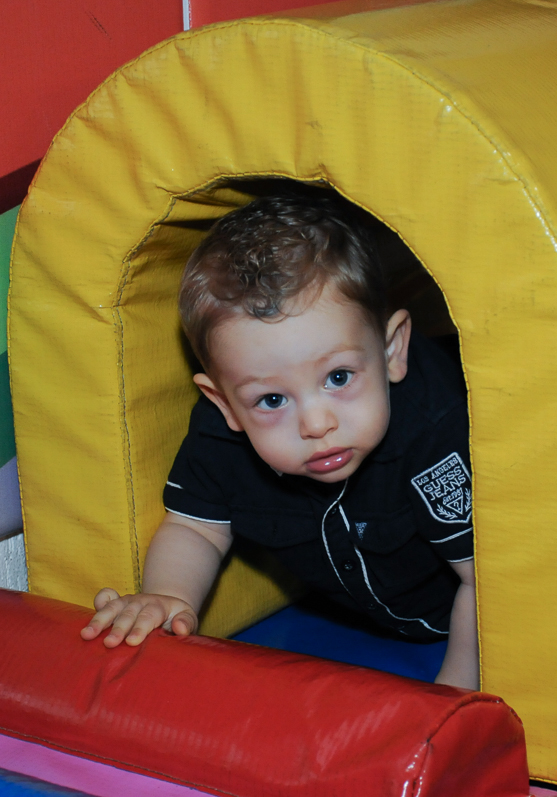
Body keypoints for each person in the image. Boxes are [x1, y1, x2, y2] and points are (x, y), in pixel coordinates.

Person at [80, 191, 478, 690]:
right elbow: (196, 528)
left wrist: (454, 695)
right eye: (272, 401)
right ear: (224, 403)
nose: (315, 423)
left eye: (338, 377)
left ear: (392, 350)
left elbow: (483, 576)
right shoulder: (220, 437)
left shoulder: (435, 427)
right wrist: (167, 597)